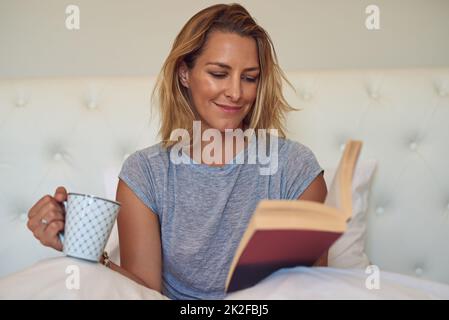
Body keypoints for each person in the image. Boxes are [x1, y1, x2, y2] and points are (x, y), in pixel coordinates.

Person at [27, 3, 327, 300]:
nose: (236, 92)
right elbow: (145, 290)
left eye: (249, 78)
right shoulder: (145, 173)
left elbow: (309, 287)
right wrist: (81, 247)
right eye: (219, 74)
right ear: (185, 74)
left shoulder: (295, 169)